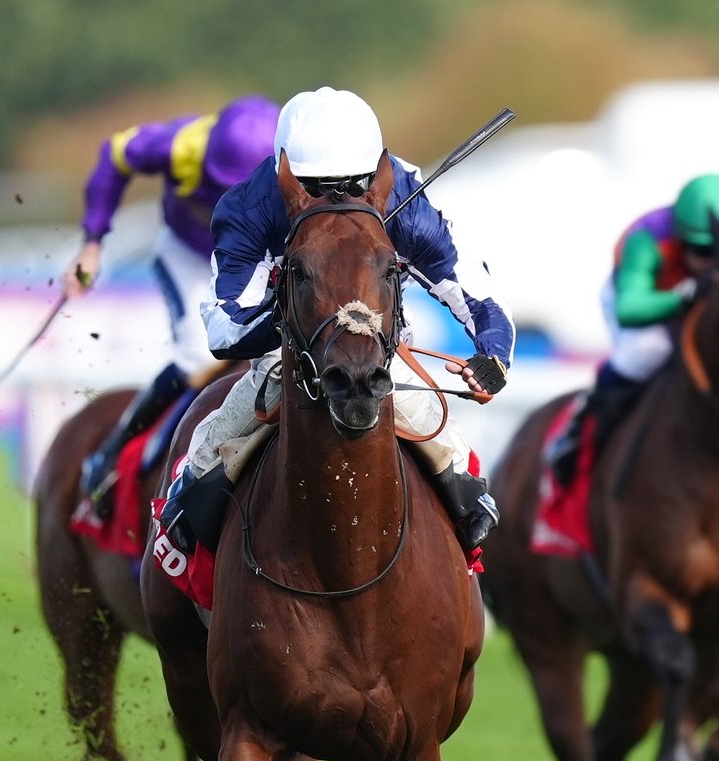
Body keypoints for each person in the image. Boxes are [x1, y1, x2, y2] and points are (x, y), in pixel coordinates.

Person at [156, 86, 514, 554]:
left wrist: (493, 356)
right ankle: (189, 496)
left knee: (435, 433)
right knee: (235, 419)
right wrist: (298, 309)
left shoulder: (407, 202)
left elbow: (476, 293)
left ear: (376, 172)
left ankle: (467, 505)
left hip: (380, 346)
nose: (337, 199)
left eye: (353, 184)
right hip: (290, 351)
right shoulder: (250, 207)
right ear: (285, 172)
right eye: (315, 187)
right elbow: (224, 329)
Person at [69, 94, 282, 524]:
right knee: (198, 355)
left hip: (255, 262)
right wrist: (92, 243)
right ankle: (109, 458)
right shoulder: (179, 146)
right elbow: (114, 156)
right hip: (189, 257)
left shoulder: (301, 163)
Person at [546, 173, 719, 485]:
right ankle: (579, 429)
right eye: (703, 251)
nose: (714, 263)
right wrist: (684, 296)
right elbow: (629, 308)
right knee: (647, 351)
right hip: (651, 300)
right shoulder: (648, 239)